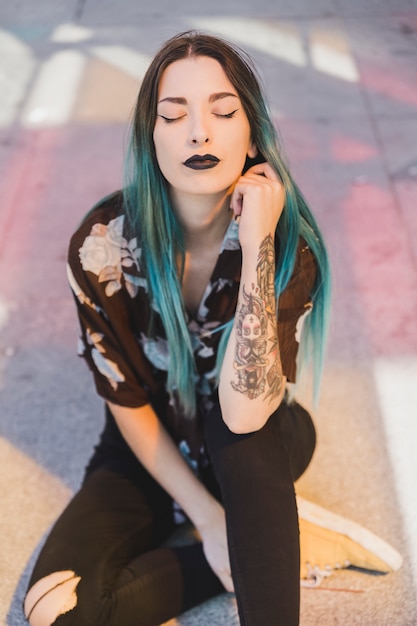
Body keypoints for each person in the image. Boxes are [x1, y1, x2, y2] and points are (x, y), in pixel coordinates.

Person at [23, 31, 401, 626]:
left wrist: (256, 249)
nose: (199, 132)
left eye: (223, 112)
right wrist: (206, 517)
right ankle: (283, 536)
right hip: (147, 444)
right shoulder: (99, 247)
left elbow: (248, 415)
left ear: (252, 133)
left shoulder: (286, 246)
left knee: (242, 434)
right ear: (151, 138)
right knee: (56, 613)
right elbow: (121, 395)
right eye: (173, 116)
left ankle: (262, 536)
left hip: (255, 439)